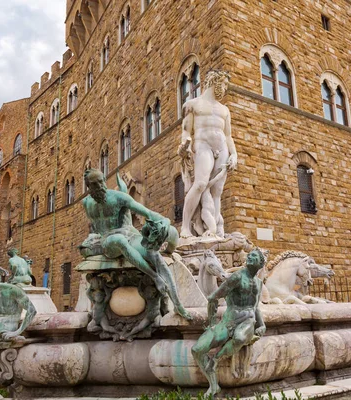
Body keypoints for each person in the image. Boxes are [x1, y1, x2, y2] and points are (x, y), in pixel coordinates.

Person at [80, 169, 191, 321]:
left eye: (102, 181)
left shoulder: (118, 197)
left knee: (153, 253)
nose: (101, 186)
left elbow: (148, 214)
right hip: (109, 241)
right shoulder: (86, 203)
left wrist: (164, 222)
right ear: (88, 186)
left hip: (131, 236)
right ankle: (155, 278)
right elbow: (97, 229)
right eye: (95, 184)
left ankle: (178, 305)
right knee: (118, 240)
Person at [192, 248, 266, 397]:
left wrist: (262, 324)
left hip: (248, 320)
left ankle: (216, 359)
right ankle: (213, 386)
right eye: (249, 255)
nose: (250, 257)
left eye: (254, 256)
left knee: (239, 337)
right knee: (197, 349)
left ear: (260, 264)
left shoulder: (258, 283)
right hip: (229, 320)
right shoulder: (237, 277)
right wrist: (212, 322)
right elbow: (213, 297)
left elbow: (255, 306)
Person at [178, 69, 237, 238]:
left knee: (217, 190)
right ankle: (185, 228)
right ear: (215, 82)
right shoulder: (192, 104)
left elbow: (228, 135)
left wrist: (234, 155)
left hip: (223, 147)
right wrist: (185, 145)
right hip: (203, 145)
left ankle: (215, 230)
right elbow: (186, 131)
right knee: (201, 184)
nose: (225, 89)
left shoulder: (224, 110)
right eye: (224, 84)